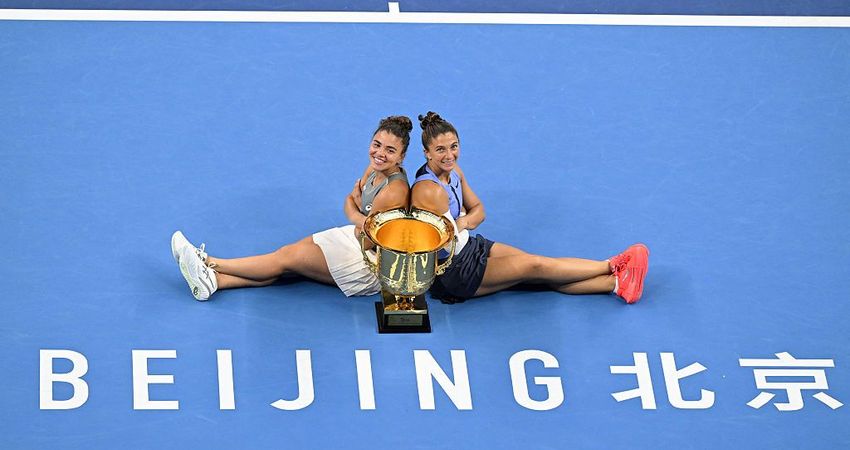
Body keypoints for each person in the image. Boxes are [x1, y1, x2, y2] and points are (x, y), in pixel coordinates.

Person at [410, 112, 649, 304]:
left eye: (454, 146)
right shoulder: (429, 190)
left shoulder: (454, 171)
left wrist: (462, 222)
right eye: (440, 150)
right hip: (454, 271)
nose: (449, 155)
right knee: (537, 267)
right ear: (427, 153)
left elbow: (479, 210)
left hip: (472, 247)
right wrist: (466, 220)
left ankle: (616, 284)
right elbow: (443, 243)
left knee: (543, 271)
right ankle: (613, 265)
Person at [171, 115, 413, 300]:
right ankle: (214, 282)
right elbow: (353, 203)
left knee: (286, 259)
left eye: (390, 150)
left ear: (401, 157)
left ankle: (209, 262)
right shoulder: (373, 169)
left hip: (367, 263)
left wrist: (354, 214)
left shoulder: (394, 190)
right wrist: (359, 216)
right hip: (353, 237)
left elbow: (365, 233)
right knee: (288, 260)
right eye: (377, 144)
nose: (380, 153)